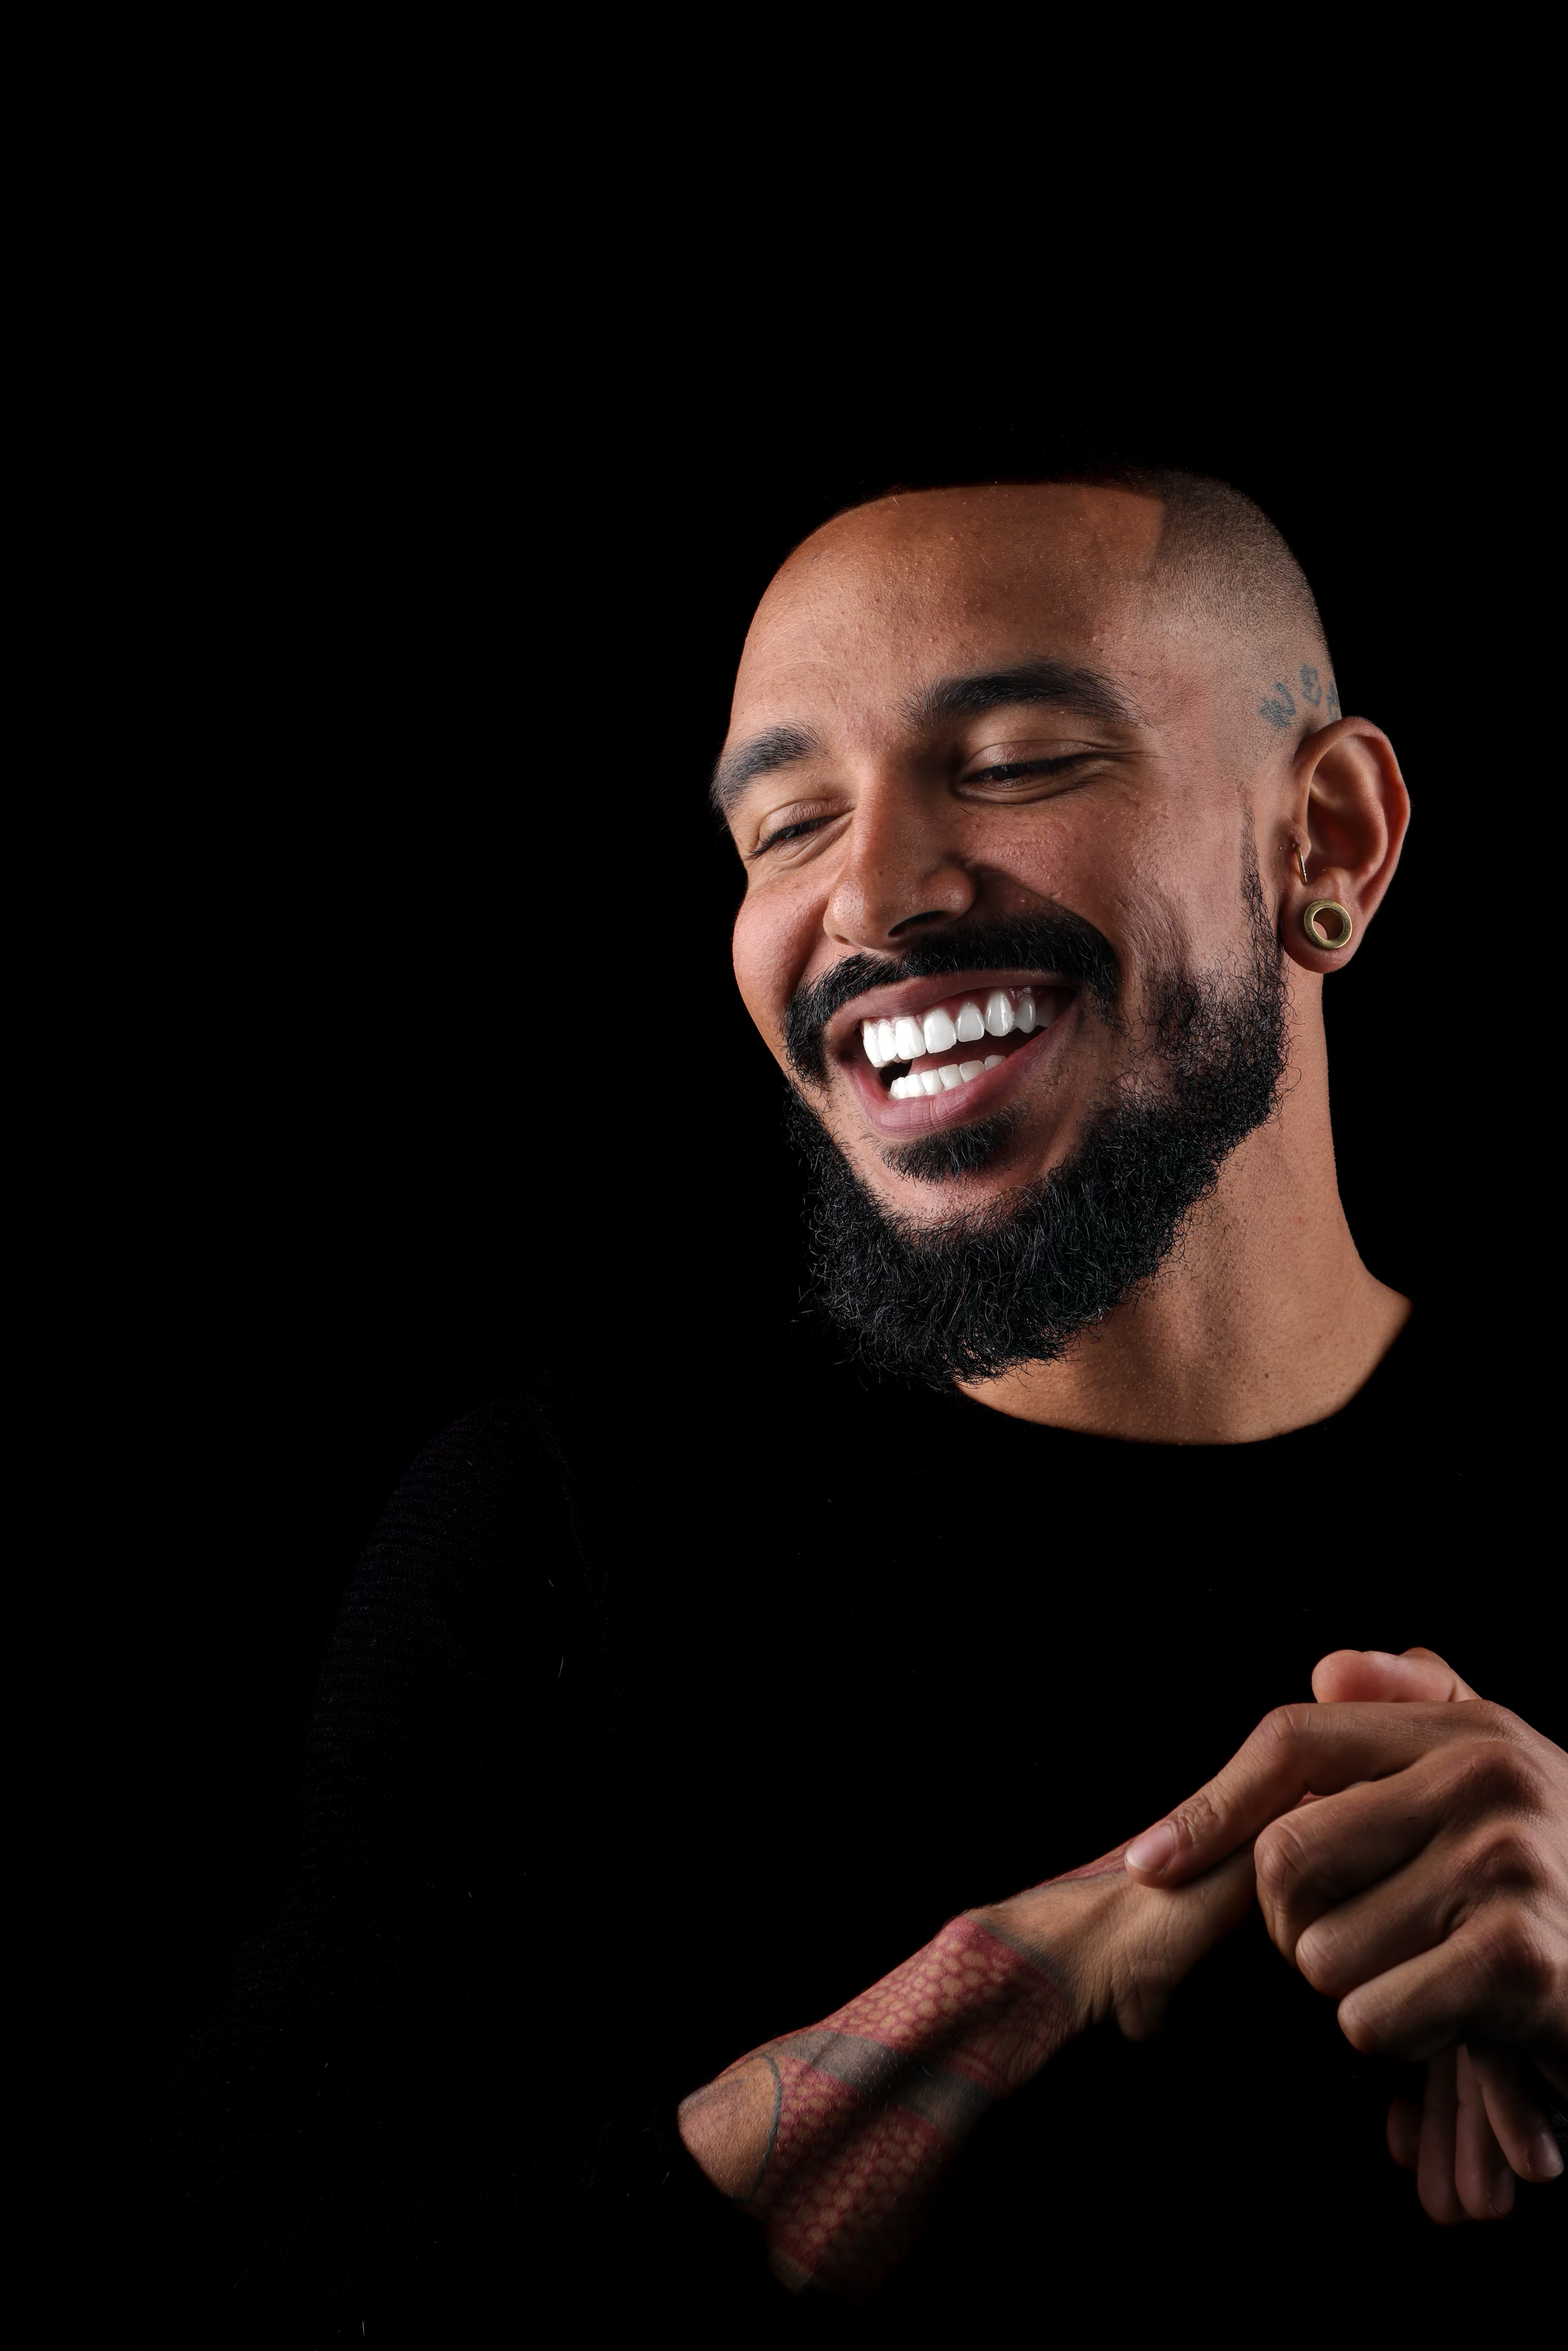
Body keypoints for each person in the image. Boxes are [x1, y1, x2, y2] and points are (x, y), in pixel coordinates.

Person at [145, 472, 1564, 2330]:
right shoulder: (563, 1538)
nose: (871, 898)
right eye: (788, 823)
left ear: (1333, 838)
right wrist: (1032, 1978)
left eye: (1017, 763)